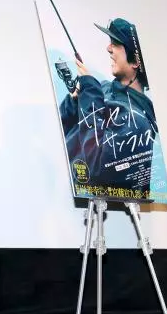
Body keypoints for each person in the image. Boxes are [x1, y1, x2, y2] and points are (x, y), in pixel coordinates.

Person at [59, 18, 158, 197]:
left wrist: (90, 93)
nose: (108, 48)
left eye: (116, 43)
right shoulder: (101, 88)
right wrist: (74, 102)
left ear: (136, 62)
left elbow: (95, 168)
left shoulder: (138, 122)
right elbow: (62, 132)